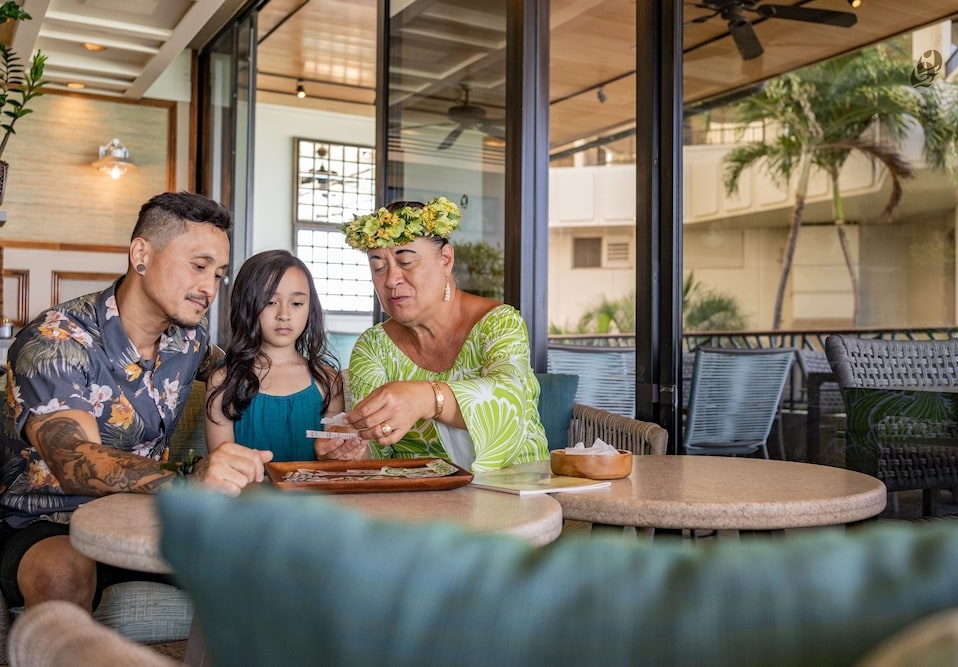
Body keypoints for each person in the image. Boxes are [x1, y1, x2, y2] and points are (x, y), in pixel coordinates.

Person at [0, 191, 273, 613]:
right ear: (141, 254)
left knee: (271, 561)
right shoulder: (56, 340)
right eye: (199, 266)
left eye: (218, 274)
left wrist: (332, 413)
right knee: (61, 571)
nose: (209, 287)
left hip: (150, 517)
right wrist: (188, 478)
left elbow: (241, 377)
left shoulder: (190, 339)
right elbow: (73, 461)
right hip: (47, 522)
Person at [342, 196, 548, 473]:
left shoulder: (497, 322)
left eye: (406, 262)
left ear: (446, 260)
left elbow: (510, 400)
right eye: (378, 267)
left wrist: (425, 398)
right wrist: (352, 451)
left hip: (516, 487)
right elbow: (377, 450)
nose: (390, 280)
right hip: (420, 499)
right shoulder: (373, 346)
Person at [205, 250, 365, 462]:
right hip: (246, 494)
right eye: (270, 302)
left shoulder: (327, 380)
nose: (284, 315)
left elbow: (332, 466)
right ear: (246, 305)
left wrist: (339, 452)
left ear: (310, 308)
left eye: (297, 304)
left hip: (314, 495)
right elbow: (220, 469)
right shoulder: (224, 381)